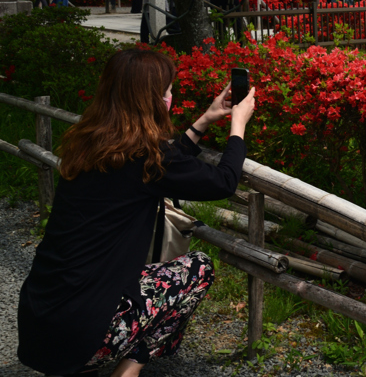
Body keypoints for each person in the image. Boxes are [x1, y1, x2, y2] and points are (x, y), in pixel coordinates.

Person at [17, 49, 257, 377]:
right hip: (82, 335)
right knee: (197, 268)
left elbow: (163, 165)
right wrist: (237, 126)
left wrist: (203, 120)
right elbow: (224, 182)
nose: (171, 97)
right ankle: (127, 369)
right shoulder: (147, 156)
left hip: (39, 323)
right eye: (168, 91)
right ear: (153, 101)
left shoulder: (89, 142)